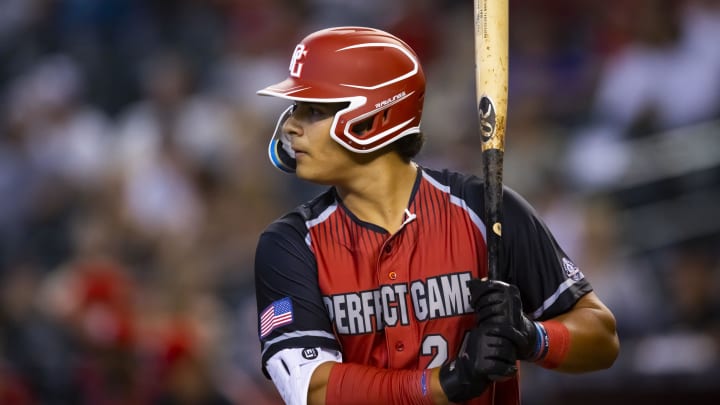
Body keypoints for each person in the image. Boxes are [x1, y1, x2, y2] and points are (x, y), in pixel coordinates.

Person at [252, 26, 619, 405]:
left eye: (312, 110)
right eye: (295, 109)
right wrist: (450, 382)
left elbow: (603, 338)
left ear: (371, 119)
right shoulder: (291, 243)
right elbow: (311, 388)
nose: (291, 126)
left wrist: (531, 337)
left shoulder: (486, 209)